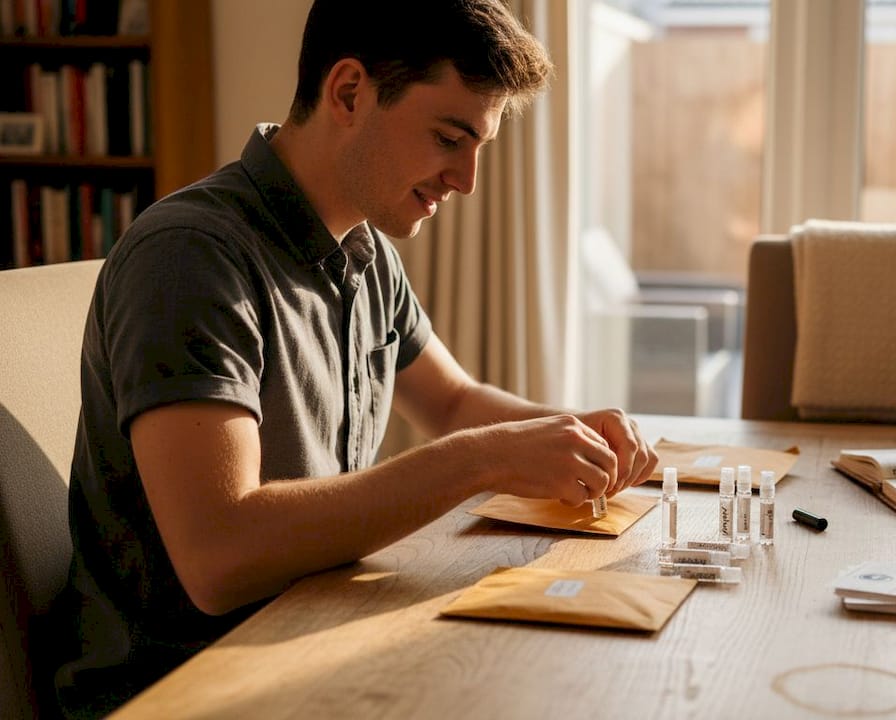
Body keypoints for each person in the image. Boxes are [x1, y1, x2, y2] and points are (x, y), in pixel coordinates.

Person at [54, 1, 657, 716]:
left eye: (478, 148)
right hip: (188, 690)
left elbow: (453, 401)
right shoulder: (191, 257)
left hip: (316, 644)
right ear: (348, 92)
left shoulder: (364, 254)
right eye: (447, 138)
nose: (466, 179)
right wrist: (479, 460)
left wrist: (577, 431)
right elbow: (219, 555)